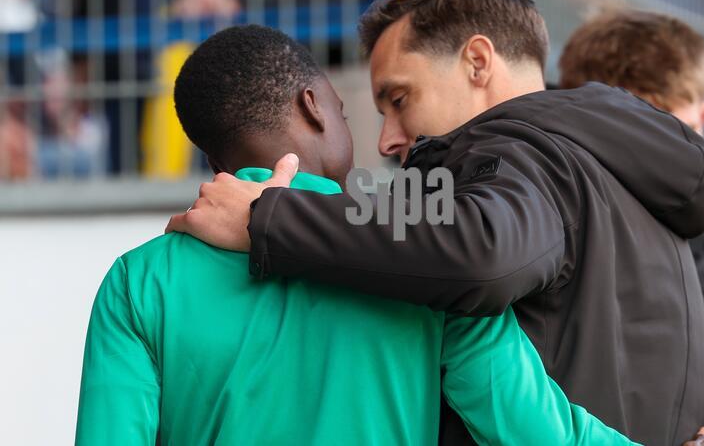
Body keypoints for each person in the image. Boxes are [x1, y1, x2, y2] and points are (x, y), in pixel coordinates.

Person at [166, 0, 704, 445]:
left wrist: (270, 218)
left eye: (400, 99)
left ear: (478, 62)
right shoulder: (606, 158)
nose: (386, 140)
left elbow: (482, 252)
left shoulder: (521, 154)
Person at [76, 25, 655, 446]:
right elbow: (531, 427)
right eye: (350, 116)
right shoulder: (423, 246)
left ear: (209, 157)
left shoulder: (139, 281)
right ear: (314, 107)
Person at [558, 9, 704, 446]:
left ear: (703, 119)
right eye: (630, 142)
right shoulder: (545, 262)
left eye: (675, 135)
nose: (659, 163)